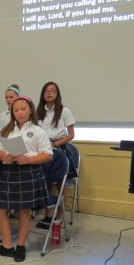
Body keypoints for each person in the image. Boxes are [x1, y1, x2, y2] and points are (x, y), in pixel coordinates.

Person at [0, 96, 52, 262]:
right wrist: (4, 157)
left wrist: (29, 159)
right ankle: (7, 246)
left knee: (23, 211)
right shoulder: (7, 131)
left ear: (30, 110)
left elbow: (47, 154)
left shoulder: (38, 131)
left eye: (23, 109)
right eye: (16, 110)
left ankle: (21, 246)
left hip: (29, 172)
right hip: (9, 171)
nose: (20, 112)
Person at [36, 81, 76, 228]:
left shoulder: (64, 110)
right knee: (45, 181)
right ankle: (48, 215)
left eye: (52, 91)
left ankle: (59, 216)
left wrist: (55, 144)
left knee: (60, 182)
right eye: (46, 91)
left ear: (57, 93)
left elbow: (71, 134)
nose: (49, 93)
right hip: (43, 148)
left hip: (59, 147)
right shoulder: (39, 110)